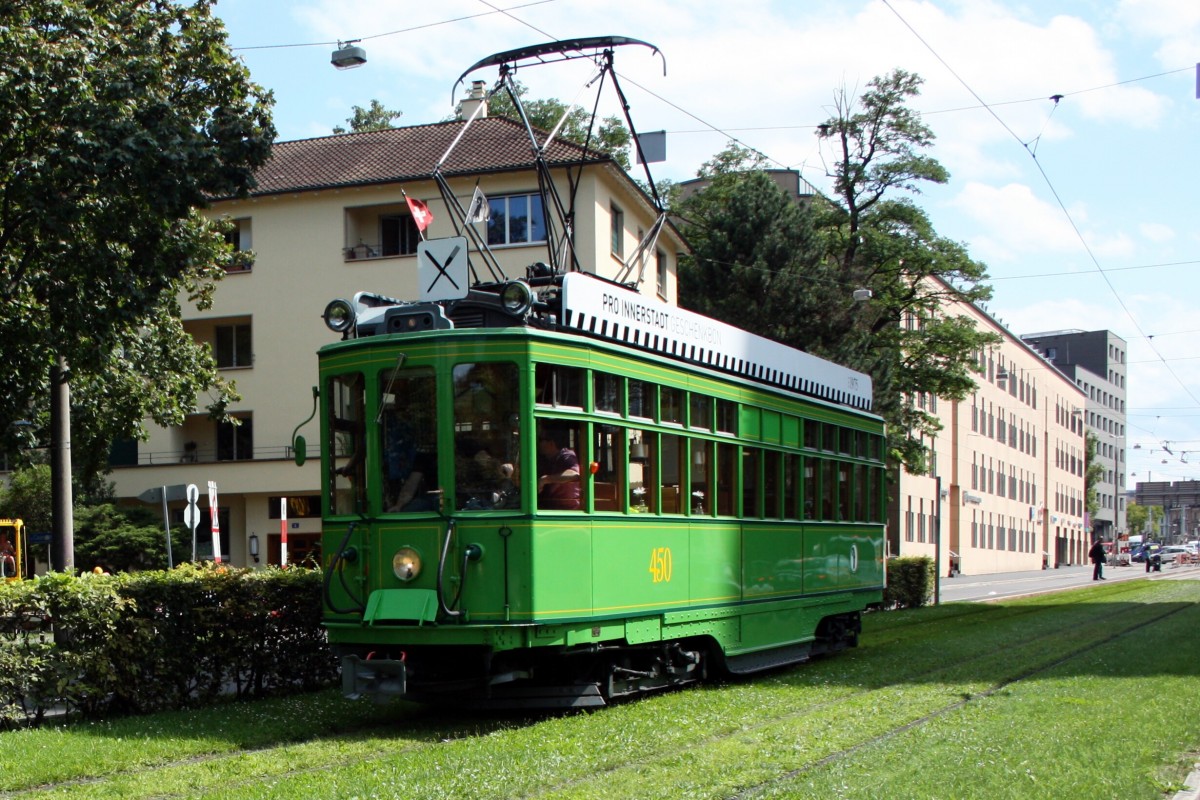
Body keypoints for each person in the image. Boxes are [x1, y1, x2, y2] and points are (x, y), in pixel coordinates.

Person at [537, 428, 581, 510]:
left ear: (551, 443)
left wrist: (546, 479)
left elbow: (574, 474)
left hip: (567, 511)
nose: (537, 443)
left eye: (540, 440)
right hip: (551, 507)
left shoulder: (566, 455)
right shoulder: (546, 459)